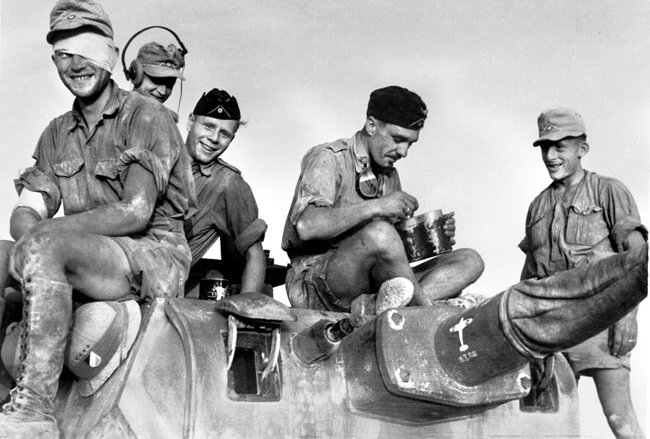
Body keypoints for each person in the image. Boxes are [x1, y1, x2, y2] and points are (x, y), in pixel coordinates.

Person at [0, 0, 195, 438]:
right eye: (64, 54)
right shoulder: (56, 132)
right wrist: (29, 240)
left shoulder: (148, 115)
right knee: (1, 253)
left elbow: (136, 211)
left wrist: (42, 240)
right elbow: (29, 208)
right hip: (84, 252)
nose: (76, 64)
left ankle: (33, 413)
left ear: (108, 54)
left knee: (47, 247)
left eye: (86, 51)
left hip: (152, 255)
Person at [281, 86, 484, 313]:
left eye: (410, 143)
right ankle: (423, 311)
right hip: (316, 282)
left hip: (370, 283)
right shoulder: (329, 158)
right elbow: (307, 226)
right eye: (398, 139)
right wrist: (377, 207)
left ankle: (378, 307)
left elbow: (390, 253)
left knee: (470, 260)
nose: (404, 152)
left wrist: (430, 237)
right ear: (371, 126)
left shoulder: (388, 175)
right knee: (380, 232)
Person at [518, 108, 646, 439]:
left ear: (581, 149)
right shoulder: (537, 206)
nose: (550, 156)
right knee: (553, 428)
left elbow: (638, 259)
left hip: (602, 321)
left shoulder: (608, 190)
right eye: (545, 147)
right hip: (550, 330)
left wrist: (628, 316)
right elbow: (529, 275)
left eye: (560, 146)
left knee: (620, 420)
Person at [183, 89, 268, 296]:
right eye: (208, 126)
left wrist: (246, 306)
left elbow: (254, 255)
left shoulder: (228, 184)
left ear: (232, 139)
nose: (214, 138)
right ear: (190, 122)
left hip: (160, 283)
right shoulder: (158, 156)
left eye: (224, 134)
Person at [129, 41, 185, 107]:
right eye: (157, 81)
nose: (162, 92)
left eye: (169, 85)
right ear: (135, 74)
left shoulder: (166, 116)